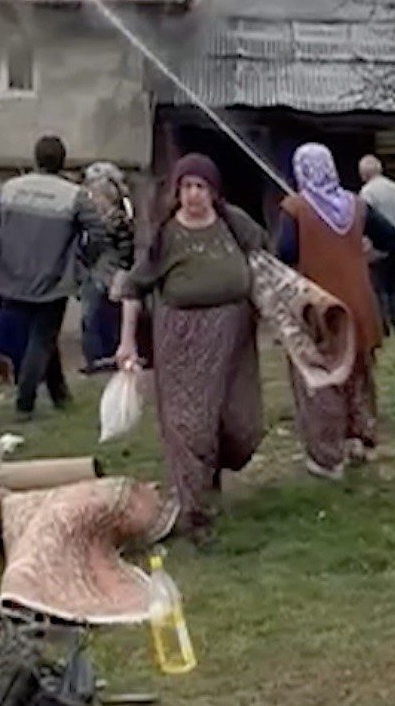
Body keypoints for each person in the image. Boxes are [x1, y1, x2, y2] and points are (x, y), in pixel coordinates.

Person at [114, 153, 267, 547]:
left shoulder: (234, 223)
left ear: (214, 192)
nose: (193, 195)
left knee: (242, 424)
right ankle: (194, 514)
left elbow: (264, 259)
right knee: (188, 426)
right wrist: (127, 341)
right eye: (186, 187)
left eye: (201, 187)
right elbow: (133, 288)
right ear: (177, 191)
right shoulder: (165, 236)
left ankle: (210, 473)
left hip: (235, 339)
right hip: (183, 341)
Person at [276, 143, 395, 480]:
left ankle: (327, 456)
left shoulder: (295, 208)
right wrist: (368, 257)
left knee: (321, 380)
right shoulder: (355, 206)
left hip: (319, 310)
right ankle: (358, 439)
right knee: (357, 373)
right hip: (359, 304)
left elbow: (284, 253)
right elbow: (393, 238)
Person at [0, 136, 105, 420]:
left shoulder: (10, 188)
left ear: (35, 159)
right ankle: (25, 403)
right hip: (52, 278)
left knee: (40, 339)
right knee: (42, 339)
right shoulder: (73, 195)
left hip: (12, 274)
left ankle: (60, 395)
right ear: (63, 161)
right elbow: (98, 232)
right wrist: (83, 261)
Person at [79, 163, 135, 373]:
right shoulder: (91, 220)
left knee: (104, 316)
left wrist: (121, 275)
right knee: (90, 316)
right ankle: (94, 357)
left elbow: (125, 252)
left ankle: (104, 356)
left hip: (110, 275)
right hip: (93, 274)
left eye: (96, 195)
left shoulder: (118, 220)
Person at [358, 154, 395, 335]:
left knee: (378, 286)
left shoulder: (367, 194)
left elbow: (365, 223)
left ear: (363, 174)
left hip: (379, 246)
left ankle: (383, 326)